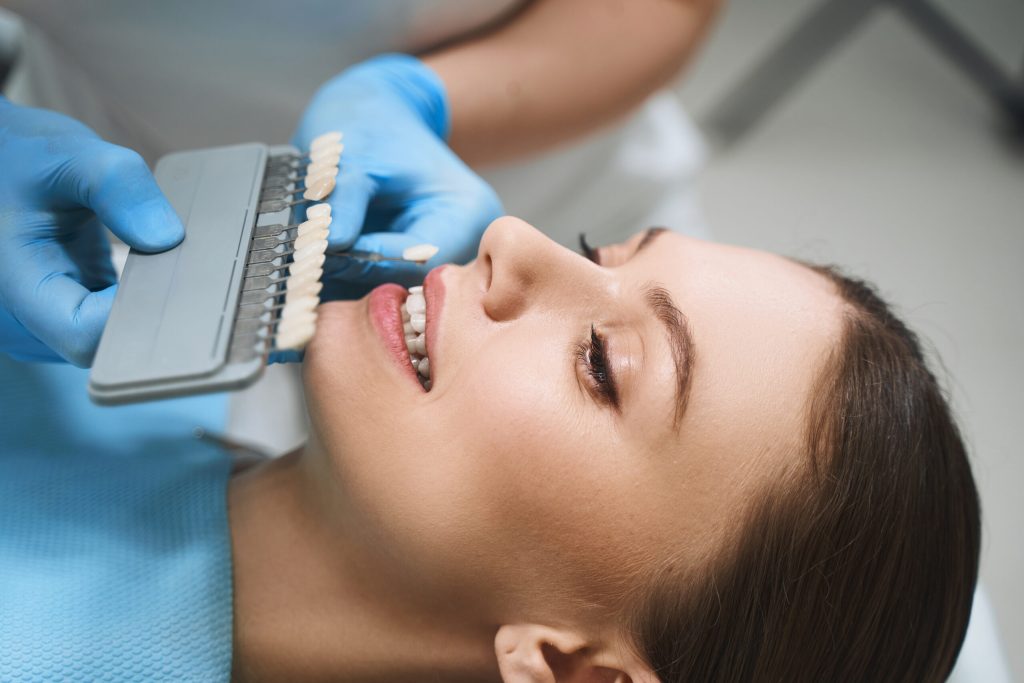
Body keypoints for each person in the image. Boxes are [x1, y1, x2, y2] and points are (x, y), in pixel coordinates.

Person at [1, 219, 979, 681]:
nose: (514, 237)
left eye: (603, 361)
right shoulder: (123, 396)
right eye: (598, 251)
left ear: (573, 670)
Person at [0, 0, 721, 366]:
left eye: (602, 367)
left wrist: (425, 98)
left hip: (579, 169)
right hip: (134, 236)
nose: (511, 243)